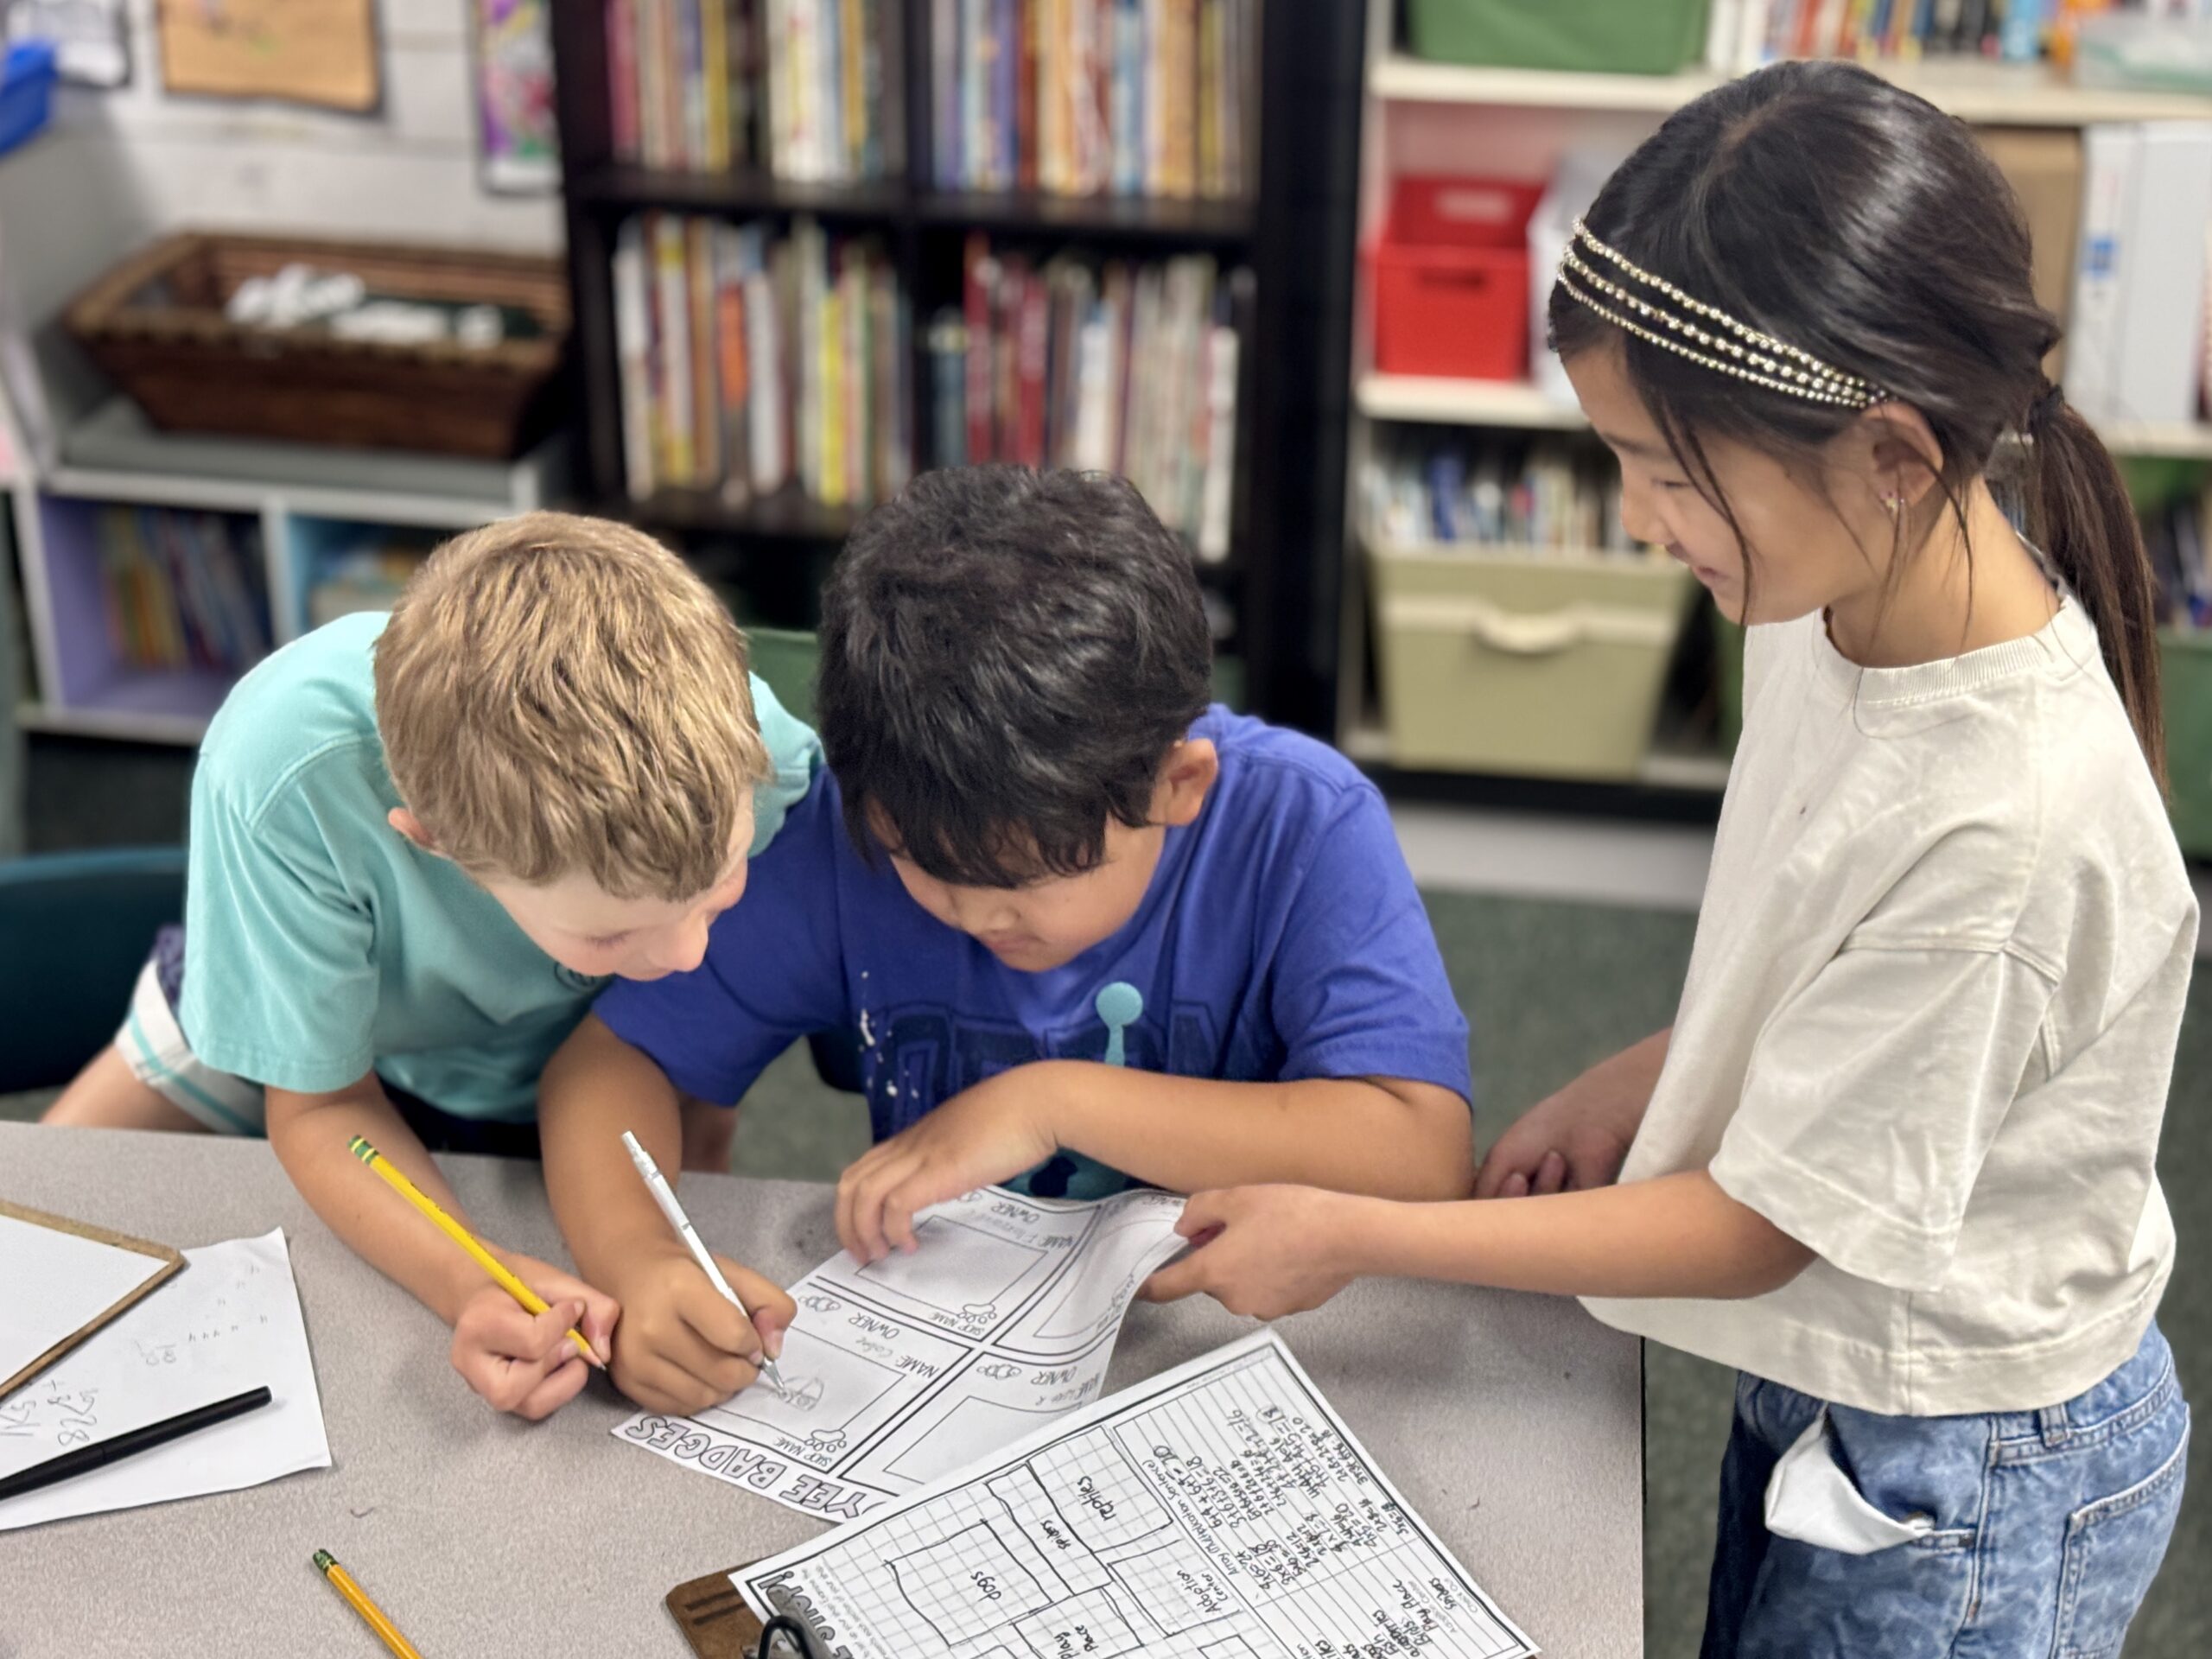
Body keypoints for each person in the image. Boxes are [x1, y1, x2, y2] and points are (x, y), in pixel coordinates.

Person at [1142, 61, 2193, 1658]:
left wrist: (1361, 1231)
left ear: (1894, 454)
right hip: (1849, 1365)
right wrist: (1655, 1072)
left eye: (1671, 474)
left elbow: (1764, 1226)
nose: (1641, 522)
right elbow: (1827, 947)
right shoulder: (1837, 589)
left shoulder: (2008, 823)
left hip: (1969, 1459)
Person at [537, 465, 1477, 1417]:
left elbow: (1420, 1150)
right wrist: (640, 1258)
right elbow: (610, 1064)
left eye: (1026, 882)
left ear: (1177, 787)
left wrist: (1053, 1104)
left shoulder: (1301, 827)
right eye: (919, 867)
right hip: (958, 1353)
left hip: (1241, 1342)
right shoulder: (845, 829)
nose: (975, 917)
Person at [44, 512, 814, 1421]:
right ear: (431, 843)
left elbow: (693, 1055)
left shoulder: (754, 752)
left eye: (717, 894)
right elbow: (325, 1103)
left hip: (579, 1067)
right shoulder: (283, 774)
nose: (688, 953)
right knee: (42, 1245)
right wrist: (464, 1283)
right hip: (290, 1012)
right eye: (610, 936)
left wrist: (657, 1251)